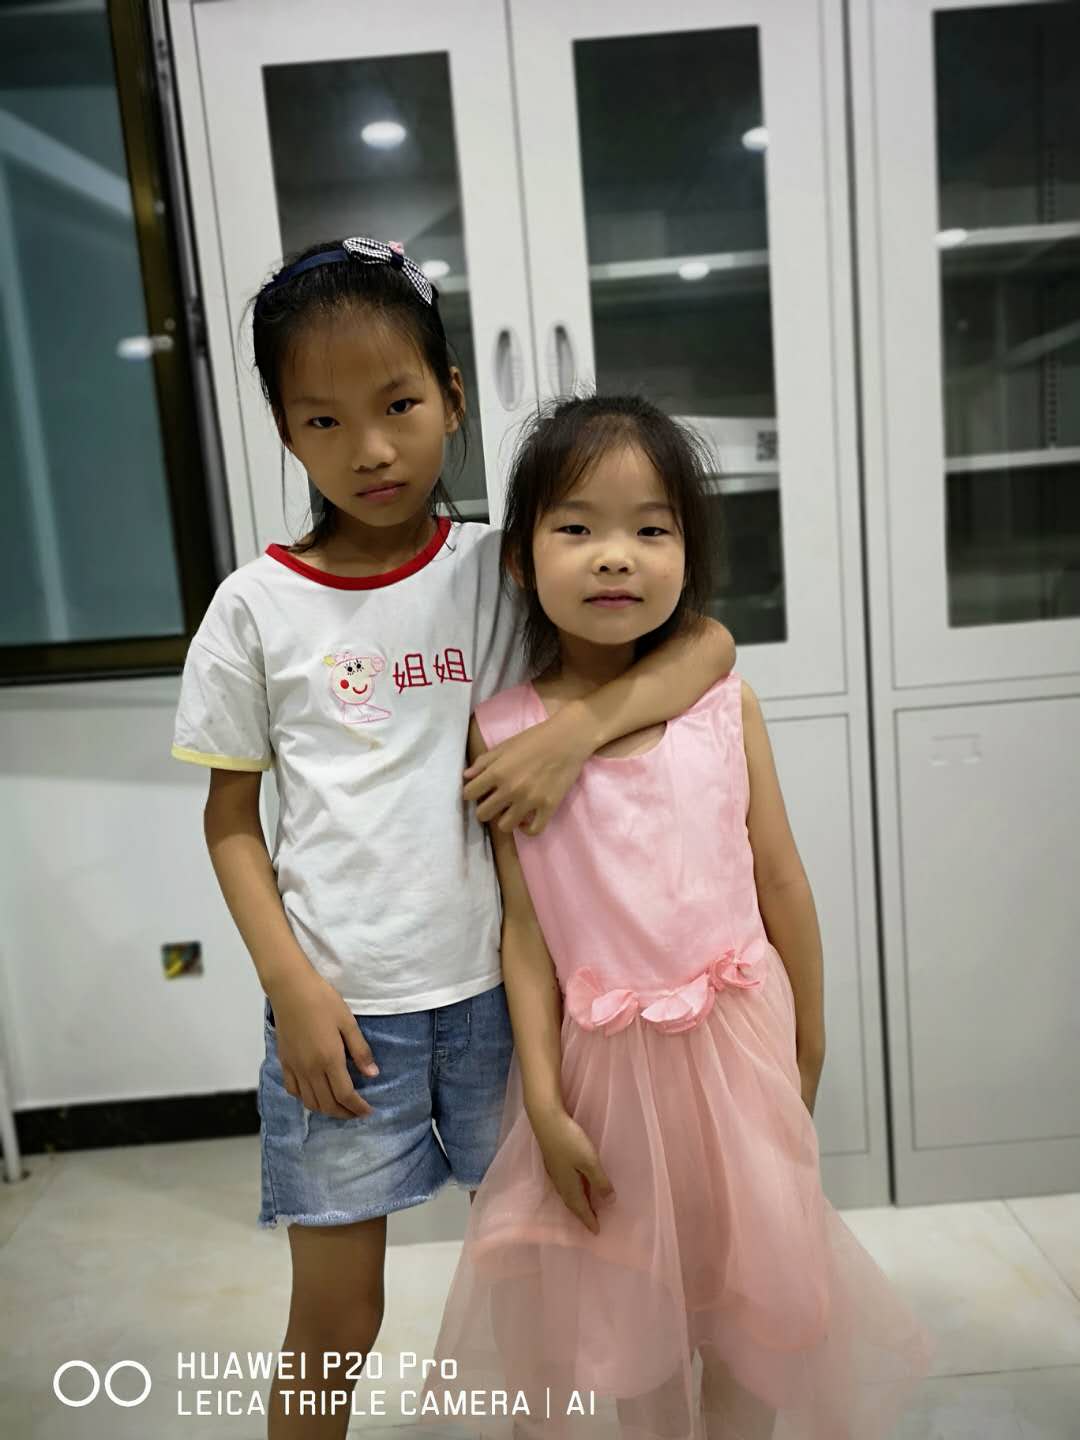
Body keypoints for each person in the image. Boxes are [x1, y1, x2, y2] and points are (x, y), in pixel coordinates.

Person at [170, 240, 736, 1439]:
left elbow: (706, 646)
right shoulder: (253, 609)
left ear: (453, 397)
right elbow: (230, 822)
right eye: (324, 420)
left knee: (544, 1295)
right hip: (342, 1019)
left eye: (399, 405)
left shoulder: (499, 567)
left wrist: (576, 732)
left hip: (504, 1001)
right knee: (337, 1318)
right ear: (284, 430)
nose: (370, 449)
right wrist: (290, 986)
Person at [430, 395, 932, 1440]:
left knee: (758, 1302)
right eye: (578, 527)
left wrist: (810, 1032)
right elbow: (526, 936)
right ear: (520, 559)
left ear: (686, 553)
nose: (616, 556)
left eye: (650, 529)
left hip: (739, 1051)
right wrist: (543, 1099)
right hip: (607, 1084)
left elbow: (781, 880)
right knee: (637, 1320)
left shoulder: (721, 702)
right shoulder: (503, 734)